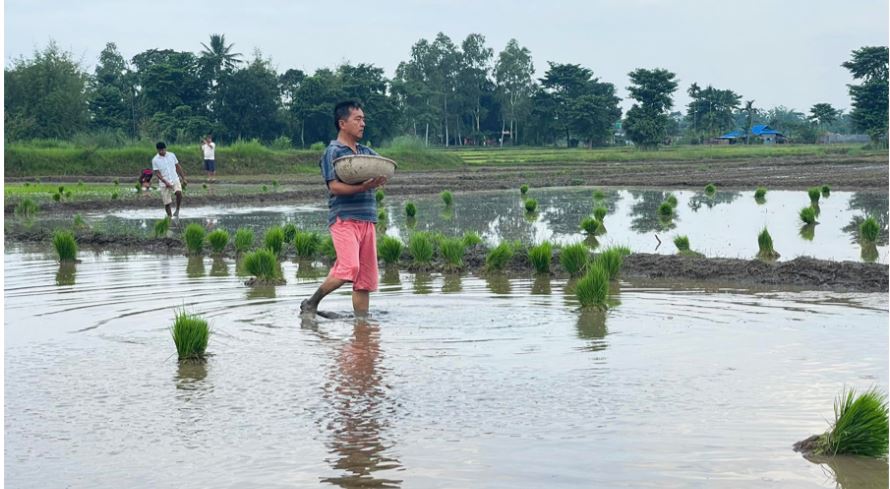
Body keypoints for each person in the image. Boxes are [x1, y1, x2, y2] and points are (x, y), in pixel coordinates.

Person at [300, 101, 387, 318]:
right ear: (342, 123)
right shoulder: (334, 152)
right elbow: (334, 186)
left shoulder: (365, 152)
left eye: (363, 119)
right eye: (357, 119)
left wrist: (379, 178)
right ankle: (311, 303)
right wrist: (363, 186)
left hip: (367, 219)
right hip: (344, 219)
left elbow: (383, 165)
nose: (363, 124)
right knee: (350, 268)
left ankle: (361, 324)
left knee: (364, 280)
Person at [151, 142, 188, 218]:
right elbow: (157, 173)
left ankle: (177, 210)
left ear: (165, 148)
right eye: (160, 150)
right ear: (157, 150)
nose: (162, 152)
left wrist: (183, 178)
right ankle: (169, 217)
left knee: (179, 193)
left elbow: (178, 167)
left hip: (175, 179)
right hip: (164, 183)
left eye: (163, 150)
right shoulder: (155, 160)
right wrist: (165, 182)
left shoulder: (172, 155)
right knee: (167, 203)